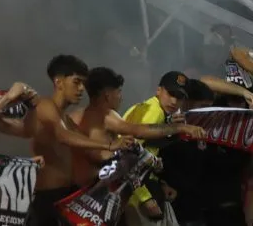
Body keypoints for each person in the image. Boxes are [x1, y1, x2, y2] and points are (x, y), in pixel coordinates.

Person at [24, 55, 132, 226]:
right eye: (76, 82)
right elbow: (63, 136)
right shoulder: (44, 105)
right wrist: (110, 145)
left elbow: (91, 152)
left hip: (69, 197)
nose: (82, 89)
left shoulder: (68, 121)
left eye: (83, 83)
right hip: (47, 199)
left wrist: (125, 157)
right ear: (59, 82)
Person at [70, 67, 205, 188]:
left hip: (78, 187)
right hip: (101, 189)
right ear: (108, 95)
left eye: (179, 97)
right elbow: (138, 135)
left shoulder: (74, 116)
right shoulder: (107, 116)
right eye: (119, 91)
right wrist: (181, 128)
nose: (121, 97)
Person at [122, 72, 205, 225]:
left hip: (136, 187)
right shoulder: (154, 112)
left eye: (179, 97)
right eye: (170, 93)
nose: (174, 101)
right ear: (158, 90)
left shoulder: (154, 109)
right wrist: (145, 197)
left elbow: (146, 152)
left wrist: (160, 183)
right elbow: (127, 156)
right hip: (131, 192)